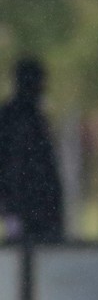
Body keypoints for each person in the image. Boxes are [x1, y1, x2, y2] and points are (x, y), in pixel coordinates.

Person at [0, 59, 64, 243]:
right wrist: (8, 206)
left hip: (41, 204)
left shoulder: (36, 116)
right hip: (22, 203)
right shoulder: (12, 116)